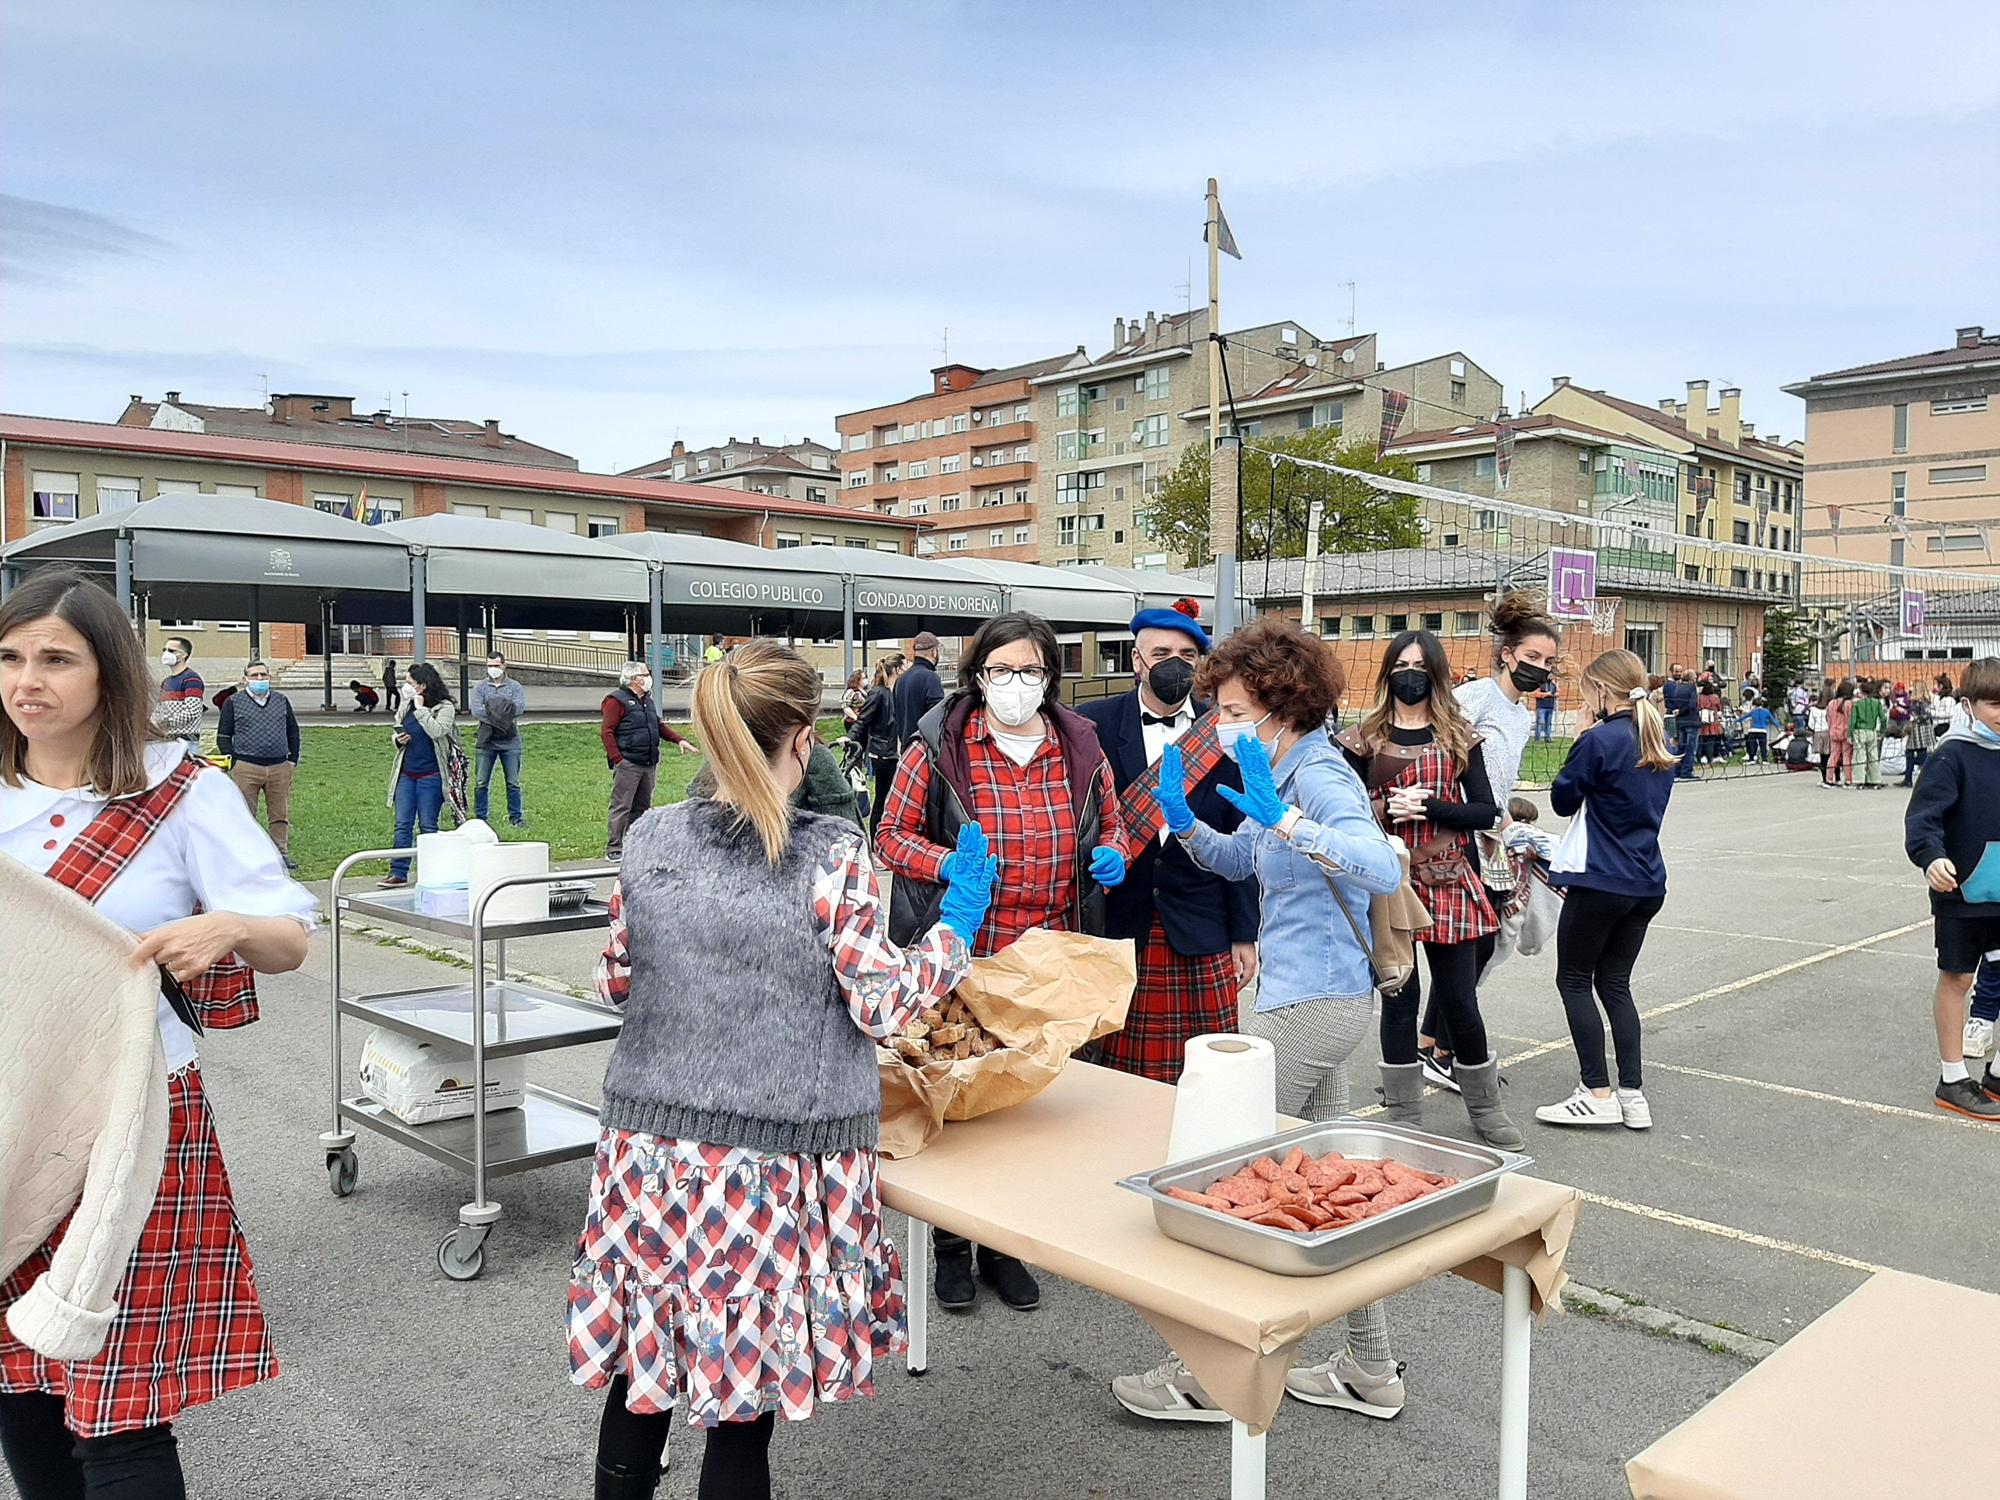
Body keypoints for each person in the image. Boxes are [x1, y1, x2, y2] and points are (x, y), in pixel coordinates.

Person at [569, 638, 994, 1500]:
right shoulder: (831, 852)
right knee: (738, 1400)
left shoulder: (651, 837)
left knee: (645, 1365)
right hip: (769, 1162)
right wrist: (956, 928)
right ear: (805, 740)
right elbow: (880, 1004)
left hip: (646, 1152)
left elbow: (615, 977)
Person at [0, 568, 315, 1500]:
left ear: (111, 675)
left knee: (120, 1409)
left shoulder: (181, 795)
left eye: (57, 658)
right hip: (9, 1121)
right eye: (10, 658)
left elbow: (288, 940)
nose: (28, 680)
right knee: (16, 1383)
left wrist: (225, 929)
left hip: (132, 1126)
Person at [1115, 617, 1405, 1426]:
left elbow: (1378, 863)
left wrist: (1286, 820)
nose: (1222, 725)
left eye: (1236, 711)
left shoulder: (1316, 774)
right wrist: (1184, 821)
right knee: (1333, 1184)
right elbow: (1242, 860)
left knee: (1229, 1176)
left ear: (1283, 707)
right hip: (1300, 997)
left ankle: (1208, 1376)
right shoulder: (1271, 765)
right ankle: (1370, 1367)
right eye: (1219, 711)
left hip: (1318, 1003)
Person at [877, 611, 1127, 1314]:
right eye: (1000, 670)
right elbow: (890, 837)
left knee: (1027, 1108)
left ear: (1049, 676)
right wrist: (951, 863)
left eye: (1029, 671)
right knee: (957, 1105)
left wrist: (1116, 855)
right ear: (977, 675)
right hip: (964, 956)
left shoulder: (1080, 746)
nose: (1015, 684)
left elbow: (1114, 826)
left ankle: (1006, 1246)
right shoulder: (940, 746)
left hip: (1048, 957)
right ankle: (951, 1251)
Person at [1337, 629, 1520, 1149]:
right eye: (1401, 663)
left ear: (1436, 673)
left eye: (1420, 664)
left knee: (1460, 999)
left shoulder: (1458, 734)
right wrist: (1380, 809)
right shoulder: (1362, 737)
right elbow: (1339, 809)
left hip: (1448, 878)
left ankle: (1486, 1109)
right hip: (1388, 881)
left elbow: (1487, 810)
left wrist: (1431, 807)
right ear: (1387, 670)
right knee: (1400, 997)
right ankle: (1404, 1118)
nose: (1410, 673)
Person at [1077, 606, 1258, 1082]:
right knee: (1118, 1081)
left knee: (1210, 1078)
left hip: (1202, 925)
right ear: (1137, 660)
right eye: (1161, 653)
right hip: (1120, 924)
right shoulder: (1090, 724)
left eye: (1187, 654)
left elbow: (1245, 835)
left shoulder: (1227, 729)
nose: (1174, 663)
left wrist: (1245, 932)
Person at [1533, 649, 1677, 1129]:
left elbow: (1562, 799)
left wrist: (1580, 738)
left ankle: (1595, 1091)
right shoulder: (1656, 740)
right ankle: (1632, 1094)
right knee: (1614, 983)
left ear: (1600, 691)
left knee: (1573, 980)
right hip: (1646, 881)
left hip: (1602, 879)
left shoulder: (1600, 740)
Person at [1427, 594, 1562, 1087]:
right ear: (1507, 653)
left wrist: (1508, 824)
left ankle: (1433, 1043)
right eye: (1531, 658)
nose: (1538, 668)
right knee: (1469, 940)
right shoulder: (1478, 696)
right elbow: (1437, 742)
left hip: (1493, 835)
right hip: (1458, 830)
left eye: (1547, 662)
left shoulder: (1523, 715)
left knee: (1481, 940)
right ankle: (1439, 1046)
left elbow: (1500, 779)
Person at [1902, 655, 2000, 1119]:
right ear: (1968, 704)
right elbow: (1924, 820)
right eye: (1993, 704)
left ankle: (1996, 1074)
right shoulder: (1952, 754)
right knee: (1958, 978)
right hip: (1962, 895)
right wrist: (1933, 858)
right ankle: (1953, 1077)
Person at [602, 660, 699, 863]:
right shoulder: (616, 701)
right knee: (622, 804)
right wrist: (618, 759)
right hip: (628, 762)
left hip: (649, 761)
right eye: (645, 675)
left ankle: (637, 842)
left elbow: (657, 725)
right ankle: (614, 846)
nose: (649, 678)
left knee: (642, 805)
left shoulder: (647, 700)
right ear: (635, 679)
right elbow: (607, 732)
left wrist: (679, 740)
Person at [377, 662, 457, 888]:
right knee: (402, 824)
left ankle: (430, 872)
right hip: (407, 773)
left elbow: (438, 731)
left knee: (428, 825)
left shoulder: (445, 707)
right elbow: (398, 727)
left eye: (410, 683)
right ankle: (398, 871)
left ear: (422, 686)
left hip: (431, 775)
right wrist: (398, 739)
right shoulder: (406, 705)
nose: (406, 687)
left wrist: (421, 709)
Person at [218, 660, 302, 869]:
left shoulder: (281, 700)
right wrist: (234, 761)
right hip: (247, 766)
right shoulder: (233, 702)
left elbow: (293, 730)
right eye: (254, 675)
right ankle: (246, 855)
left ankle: (280, 853)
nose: (259, 679)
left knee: (279, 813)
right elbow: (224, 735)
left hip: (279, 766)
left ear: (269, 678)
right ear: (245, 679)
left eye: (263, 675)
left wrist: (292, 759)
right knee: (245, 814)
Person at [470, 650, 527, 827]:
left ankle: (516, 818)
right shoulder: (480, 687)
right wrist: (502, 715)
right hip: (486, 741)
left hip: (511, 742)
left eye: (496, 666)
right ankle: (481, 819)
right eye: (489, 666)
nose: (492, 669)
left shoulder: (515, 687)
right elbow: (476, 711)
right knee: (481, 782)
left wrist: (491, 710)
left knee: (513, 782)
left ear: (504, 665)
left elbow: (518, 708)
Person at [853, 653, 904, 841]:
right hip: (883, 754)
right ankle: (876, 843)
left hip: (892, 753)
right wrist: (850, 738)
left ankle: (883, 840)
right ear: (898, 670)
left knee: (889, 799)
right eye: (905, 667)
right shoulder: (879, 693)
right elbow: (863, 720)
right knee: (882, 799)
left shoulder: (896, 691)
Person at [891, 630, 944, 746]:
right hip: (925, 750)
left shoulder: (900, 680)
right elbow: (937, 717)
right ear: (935, 652)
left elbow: (895, 716)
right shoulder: (931, 677)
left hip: (906, 749)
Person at [153, 635, 205, 746]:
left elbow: (192, 712)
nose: (166, 653)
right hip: (167, 741)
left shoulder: (192, 679)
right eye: (165, 650)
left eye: (171, 650)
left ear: (183, 655)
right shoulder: (166, 682)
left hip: (186, 742)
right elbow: (159, 710)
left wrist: (166, 722)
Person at [1662, 666, 1699, 780]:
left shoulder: (1678, 688)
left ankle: (1677, 770)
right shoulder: (1692, 688)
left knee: (1681, 746)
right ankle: (1687, 771)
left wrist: (1678, 711)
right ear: (1692, 679)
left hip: (1680, 721)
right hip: (1691, 720)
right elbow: (1692, 704)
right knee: (1690, 747)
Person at [1850, 677, 1886, 788]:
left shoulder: (1857, 704)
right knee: (1873, 756)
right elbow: (1883, 718)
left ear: (1861, 692)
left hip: (1859, 731)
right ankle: (1875, 779)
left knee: (1859, 757)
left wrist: (1850, 734)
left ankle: (1859, 780)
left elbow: (1853, 721)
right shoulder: (1877, 703)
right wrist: (1882, 731)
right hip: (1872, 730)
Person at [1904, 683, 1938, 787]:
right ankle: (1921, 778)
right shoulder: (1926, 701)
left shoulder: (1917, 702)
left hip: (1918, 728)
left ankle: (1909, 778)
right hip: (1926, 729)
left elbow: (1922, 716)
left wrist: (1914, 719)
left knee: (1911, 752)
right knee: (1922, 752)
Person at [1824, 677, 1855, 788]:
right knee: (1847, 756)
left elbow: (1827, 717)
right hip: (1845, 732)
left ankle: (1829, 779)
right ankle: (1848, 780)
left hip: (1833, 731)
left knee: (1833, 756)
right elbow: (1851, 719)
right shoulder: (1848, 704)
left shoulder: (1831, 703)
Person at [1696, 680, 1725, 766]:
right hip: (1713, 722)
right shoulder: (1715, 697)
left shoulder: (1699, 698)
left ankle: (1700, 757)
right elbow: (1719, 707)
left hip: (1701, 721)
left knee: (1700, 741)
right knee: (1711, 742)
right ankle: (1710, 759)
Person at [1741, 699, 1776, 765]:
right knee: (1763, 745)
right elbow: (1773, 720)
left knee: (1752, 745)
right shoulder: (1766, 711)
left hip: (1753, 730)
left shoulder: (1753, 711)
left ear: (1754, 705)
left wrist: (1736, 721)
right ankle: (1764, 759)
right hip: (1762, 730)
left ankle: (1752, 758)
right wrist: (1778, 727)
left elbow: (1744, 717)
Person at [1532, 675, 1558, 743]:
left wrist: (1548, 695)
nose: (1550, 677)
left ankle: (1547, 737)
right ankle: (1537, 738)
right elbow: (1536, 694)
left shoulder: (1553, 685)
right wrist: (1546, 694)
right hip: (1541, 707)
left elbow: (1557, 694)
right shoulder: (1540, 684)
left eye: (1551, 676)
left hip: (1550, 706)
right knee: (1541, 722)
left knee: (1548, 723)